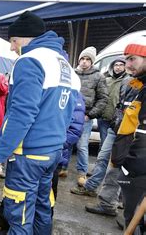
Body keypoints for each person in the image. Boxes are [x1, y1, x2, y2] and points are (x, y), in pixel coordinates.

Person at [0, 11, 81, 234]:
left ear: (27, 37)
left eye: (13, 41)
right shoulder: (66, 66)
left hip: (27, 155)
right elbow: (68, 115)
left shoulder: (29, 61)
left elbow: (21, 114)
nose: (11, 47)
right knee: (42, 208)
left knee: (19, 215)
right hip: (53, 152)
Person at [0, 93, 85, 231]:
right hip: (48, 154)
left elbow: (21, 115)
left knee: (21, 213)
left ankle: (8, 221)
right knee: (39, 205)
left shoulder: (41, 77)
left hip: (33, 155)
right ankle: (2, 219)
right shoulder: (68, 82)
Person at [83, 73, 138, 217]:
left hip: (129, 135)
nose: (128, 64)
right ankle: (99, 194)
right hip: (116, 129)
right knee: (103, 159)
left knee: (118, 169)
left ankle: (115, 205)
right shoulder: (129, 81)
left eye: (133, 59)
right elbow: (120, 106)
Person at [70, 57, 128, 194]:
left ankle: (116, 196)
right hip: (108, 120)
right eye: (116, 64)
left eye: (122, 64)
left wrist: (90, 114)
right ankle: (92, 187)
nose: (118, 67)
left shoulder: (126, 81)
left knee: (107, 156)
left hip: (119, 124)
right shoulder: (108, 79)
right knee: (103, 155)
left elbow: (104, 99)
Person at [114, 40, 146, 233]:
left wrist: (129, 165)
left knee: (135, 215)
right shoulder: (139, 86)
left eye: (132, 59)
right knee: (131, 212)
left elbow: (143, 134)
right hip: (132, 165)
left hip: (137, 169)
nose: (127, 64)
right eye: (126, 60)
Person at [74, 46, 108, 186]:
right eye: (82, 58)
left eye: (88, 59)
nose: (84, 61)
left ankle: (82, 173)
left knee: (82, 145)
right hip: (69, 114)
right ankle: (62, 168)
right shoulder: (72, 73)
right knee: (65, 143)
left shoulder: (98, 76)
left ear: (92, 62)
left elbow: (103, 98)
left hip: (85, 116)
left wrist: (90, 114)